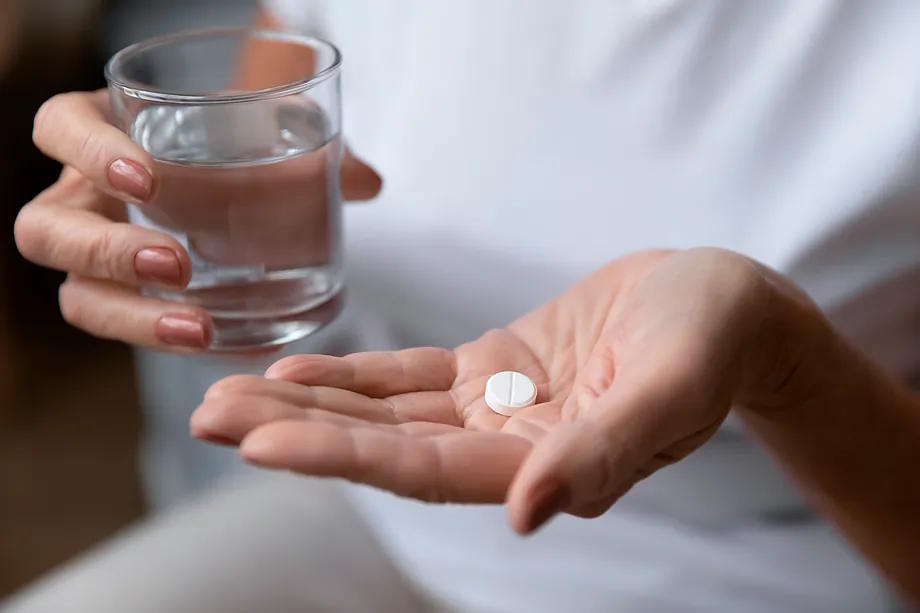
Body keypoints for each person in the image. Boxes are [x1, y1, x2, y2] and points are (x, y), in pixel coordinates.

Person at [7, 1, 920, 611]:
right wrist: (185, 182)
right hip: (385, 510)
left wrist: (784, 360)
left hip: (784, 567)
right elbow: (276, 85)